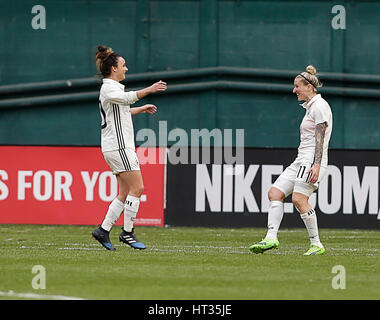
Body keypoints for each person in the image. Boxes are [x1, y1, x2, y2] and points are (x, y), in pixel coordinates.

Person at [249, 65, 332, 256]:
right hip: (301, 159)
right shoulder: (311, 107)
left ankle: (316, 244)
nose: (294, 90)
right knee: (275, 193)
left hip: (311, 160)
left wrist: (317, 165)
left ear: (309, 87)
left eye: (297, 86)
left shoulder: (320, 106)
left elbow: (320, 137)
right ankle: (271, 238)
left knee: (299, 199)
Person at [92, 45, 167, 251]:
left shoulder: (112, 88)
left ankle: (103, 230)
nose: (126, 69)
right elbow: (126, 99)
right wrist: (150, 90)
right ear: (114, 69)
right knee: (138, 188)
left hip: (115, 146)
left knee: (124, 192)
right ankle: (128, 233)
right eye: (123, 65)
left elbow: (120, 111)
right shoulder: (109, 87)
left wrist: (139, 110)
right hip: (119, 146)